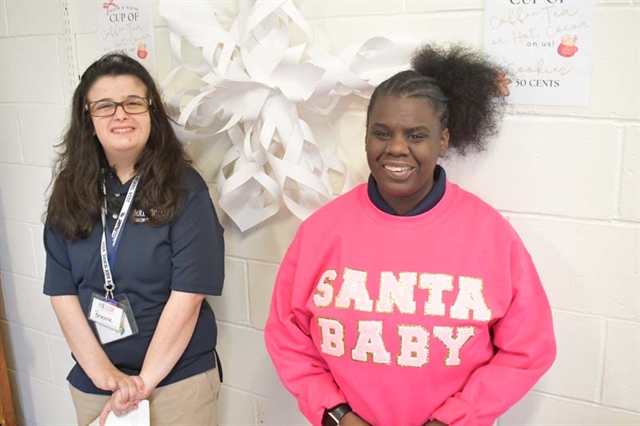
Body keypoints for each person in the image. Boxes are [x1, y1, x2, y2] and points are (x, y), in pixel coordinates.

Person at [264, 44, 556, 426]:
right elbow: (287, 336)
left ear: (444, 141)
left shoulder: (491, 236)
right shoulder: (321, 232)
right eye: (382, 133)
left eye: (416, 135)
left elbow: (528, 349)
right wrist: (336, 415)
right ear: (366, 137)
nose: (397, 148)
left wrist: (456, 418)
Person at [43, 52, 225, 425]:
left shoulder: (185, 189)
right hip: (95, 384)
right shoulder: (70, 189)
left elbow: (188, 298)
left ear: (151, 114)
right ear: (88, 120)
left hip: (176, 383)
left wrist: (142, 383)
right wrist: (102, 373)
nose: (120, 114)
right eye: (105, 105)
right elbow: (61, 293)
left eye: (133, 102)